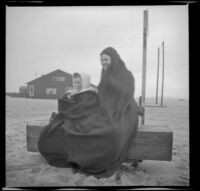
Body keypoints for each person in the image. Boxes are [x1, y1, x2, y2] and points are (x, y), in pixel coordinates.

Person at [38, 47, 138, 178]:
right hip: (106, 107)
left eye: (106, 59)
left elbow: (126, 95)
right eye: (101, 60)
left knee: (114, 131)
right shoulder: (105, 73)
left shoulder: (126, 75)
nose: (103, 62)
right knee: (87, 123)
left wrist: (111, 106)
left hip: (123, 108)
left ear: (114, 59)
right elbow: (102, 93)